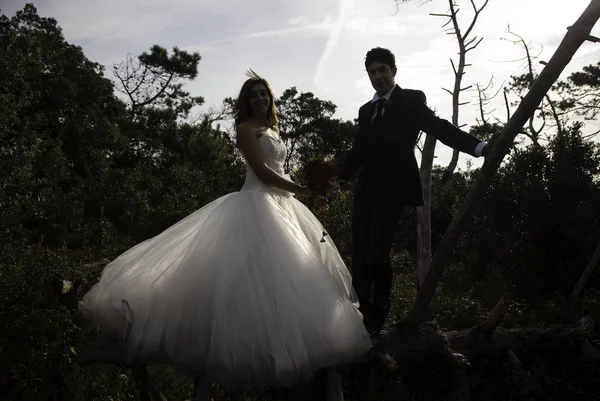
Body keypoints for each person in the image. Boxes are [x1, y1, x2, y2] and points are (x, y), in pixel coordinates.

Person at [79, 70, 371, 391]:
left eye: (264, 93)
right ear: (246, 103)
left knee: (290, 280)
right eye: (254, 95)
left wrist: (310, 186)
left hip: (283, 208)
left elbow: (279, 170)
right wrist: (303, 189)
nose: (261, 98)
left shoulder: (272, 128)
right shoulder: (246, 129)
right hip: (256, 206)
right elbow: (261, 172)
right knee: (239, 285)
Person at [335, 47, 491, 337]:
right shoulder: (366, 110)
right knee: (359, 254)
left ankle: (377, 316)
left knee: (378, 252)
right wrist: (337, 178)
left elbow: (438, 127)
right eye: (372, 71)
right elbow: (358, 151)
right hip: (365, 190)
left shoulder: (410, 100)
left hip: (393, 190)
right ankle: (360, 313)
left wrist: (479, 147)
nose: (378, 76)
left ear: (394, 71)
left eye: (383, 69)